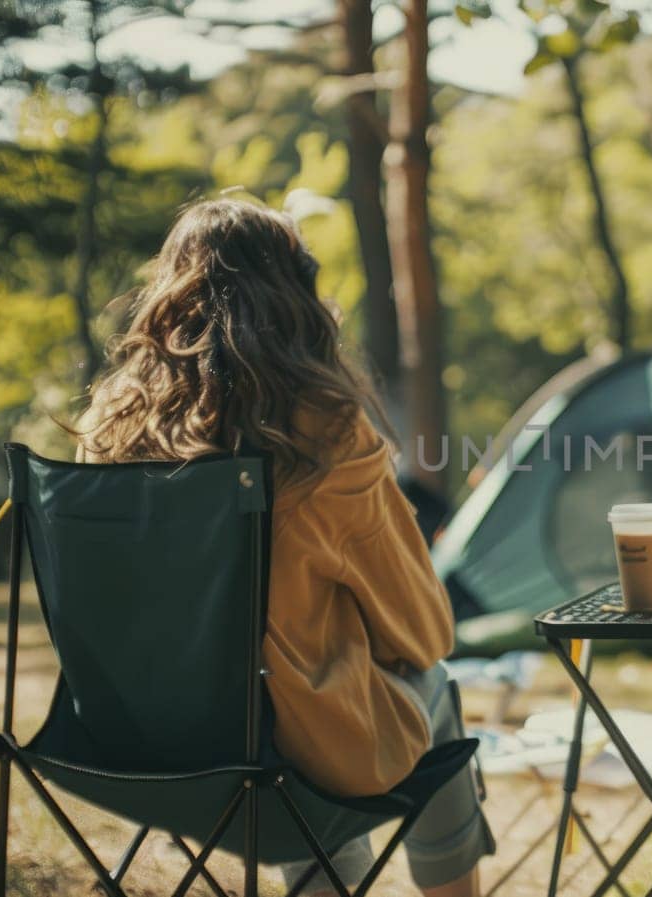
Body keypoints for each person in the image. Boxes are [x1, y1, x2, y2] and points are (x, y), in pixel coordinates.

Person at [76, 199, 492, 897]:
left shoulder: (110, 422)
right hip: (282, 752)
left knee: (300, 704)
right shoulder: (321, 430)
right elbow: (425, 630)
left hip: (132, 742)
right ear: (294, 291)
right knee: (412, 691)